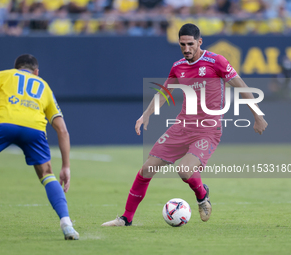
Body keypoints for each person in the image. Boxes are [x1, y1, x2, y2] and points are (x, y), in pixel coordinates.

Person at [102, 23, 268, 227]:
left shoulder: (217, 61)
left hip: (207, 130)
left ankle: (201, 194)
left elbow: (242, 86)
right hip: (181, 127)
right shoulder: (178, 66)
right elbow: (164, 92)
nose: (187, 48)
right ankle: (126, 218)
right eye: (182, 44)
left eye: (191, 44)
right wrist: (146, 114)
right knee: (146, 169)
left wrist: (258, 116)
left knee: (184, 170)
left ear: (199, 42)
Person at [0, 54, 79, 241]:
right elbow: (62, 130)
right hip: (34, 128)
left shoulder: (3, 75)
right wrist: (66, 166)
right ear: (37, 72)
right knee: (47, 174)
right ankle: (67, 225)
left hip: (3, 123)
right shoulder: (44, 86)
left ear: (16, 69)